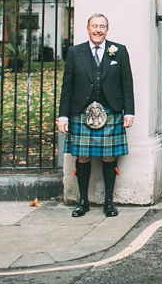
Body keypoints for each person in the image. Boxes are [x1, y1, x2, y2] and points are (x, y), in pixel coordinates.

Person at [57, 13, 134, 217]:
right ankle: (83, 202)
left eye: (102, 26)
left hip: (111, 111)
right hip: (81, 112)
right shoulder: (75, 52)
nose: (98, 30)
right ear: (88, 29)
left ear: (107, 30)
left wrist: (129, 112)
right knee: (82, 157)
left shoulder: (119, 51)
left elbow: (127, 84)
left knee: (109, 157)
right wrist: (63, 116)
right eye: (94, 26)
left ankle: (109, 203)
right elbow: (68, 86)